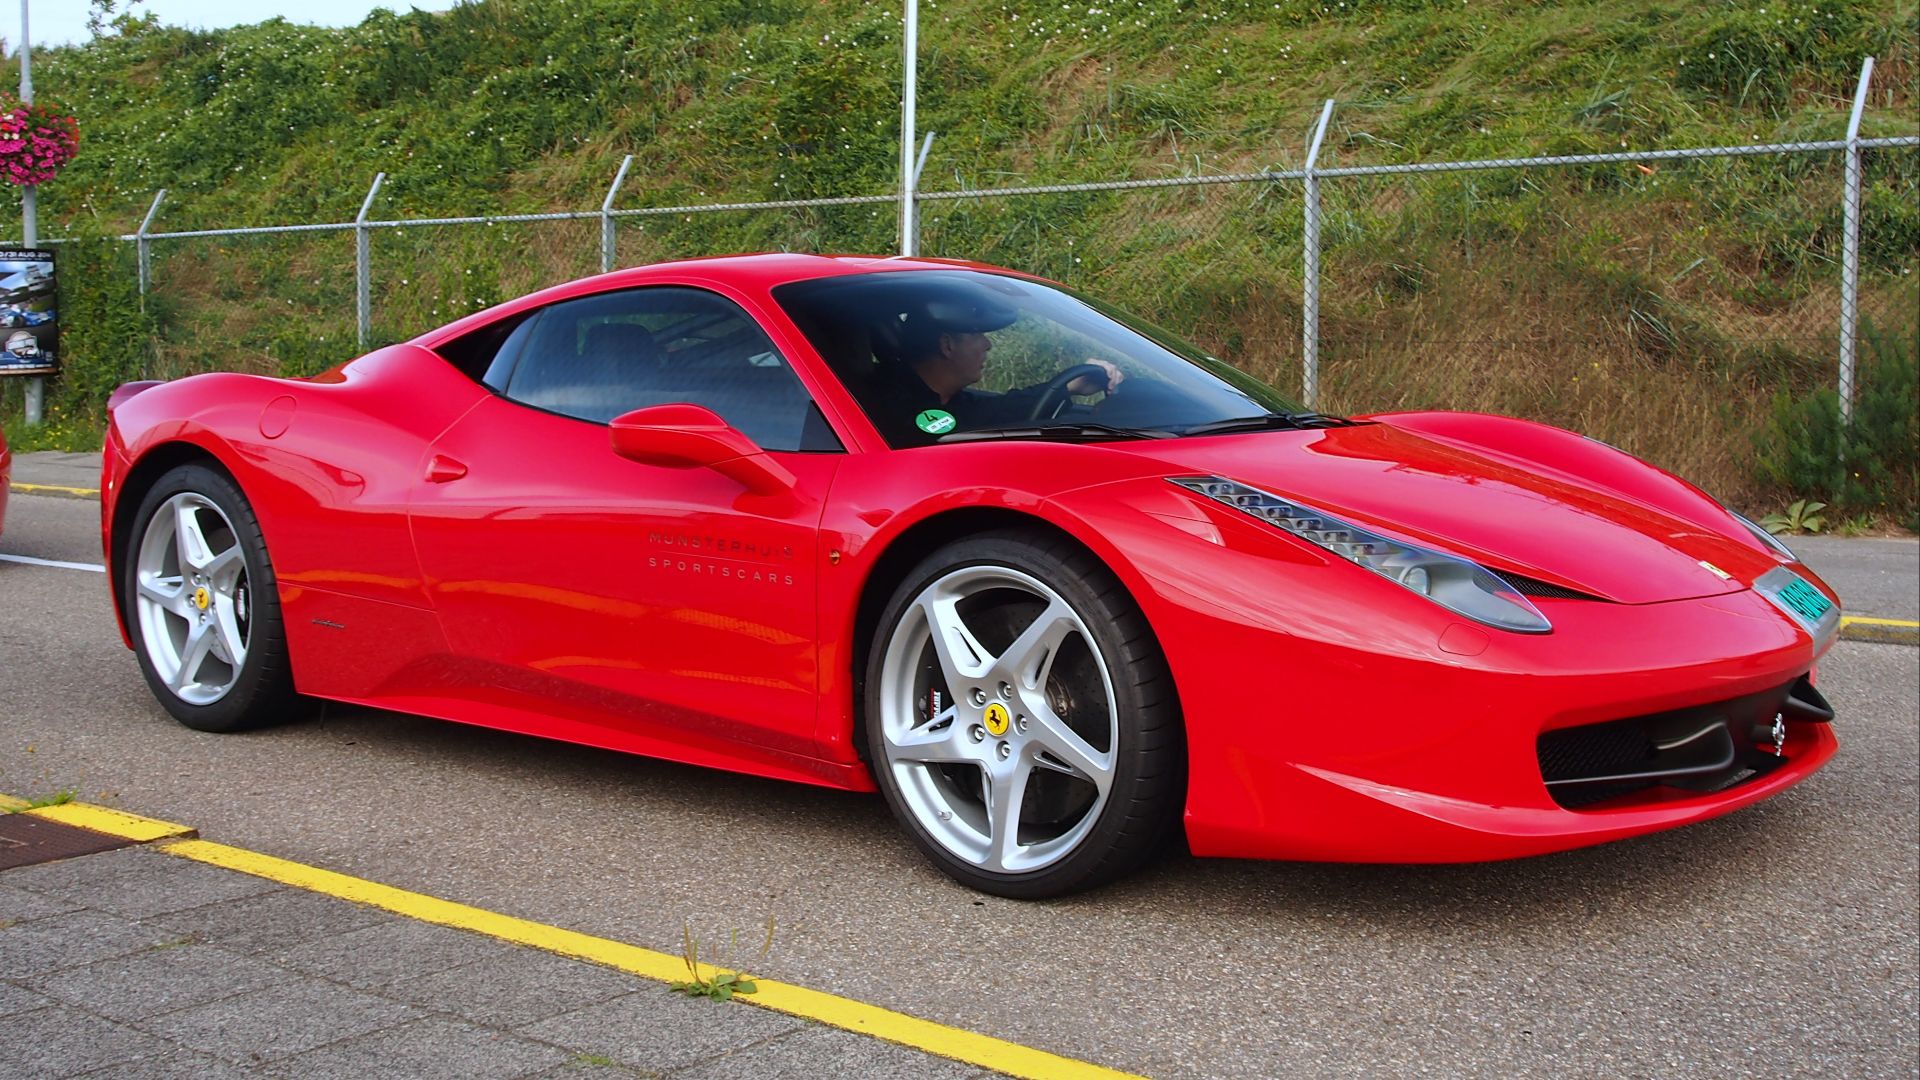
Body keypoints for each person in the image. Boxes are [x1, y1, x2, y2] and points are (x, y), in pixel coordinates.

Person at [863, 295, 1124, 447]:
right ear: (947, 345)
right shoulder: (881, 406)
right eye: (978, 335)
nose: (987, 344)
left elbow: (1003, 408)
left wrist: (1069, 387)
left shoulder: (956, 401)